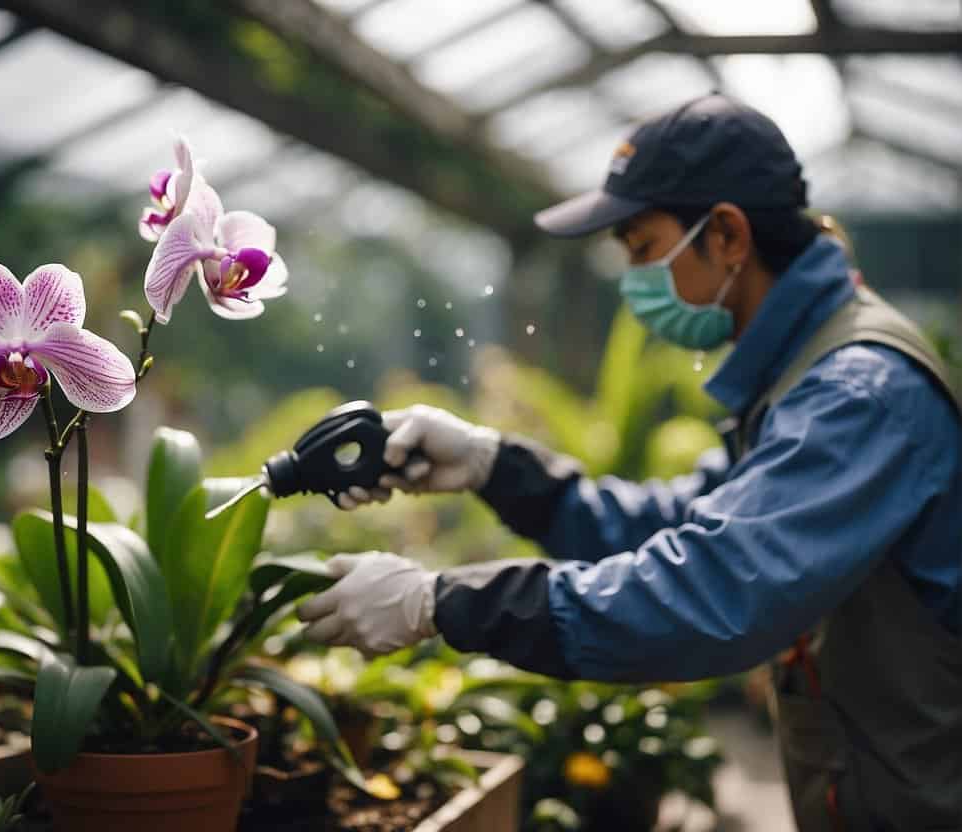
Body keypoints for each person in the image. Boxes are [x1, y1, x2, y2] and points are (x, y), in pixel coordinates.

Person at [296, 93, 961, 831]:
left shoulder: (856, 393)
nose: (634, 280)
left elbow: (713, 587)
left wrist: (441, 601)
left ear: (727, 235)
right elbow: (674, 525)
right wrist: (494, 465)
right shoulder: (801, 377)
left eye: (643, 249)